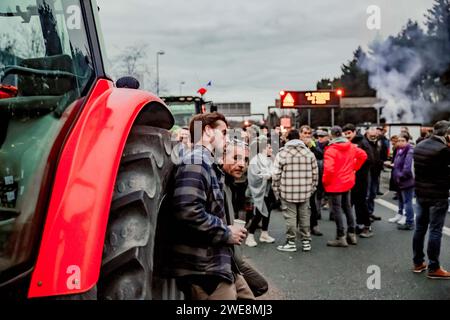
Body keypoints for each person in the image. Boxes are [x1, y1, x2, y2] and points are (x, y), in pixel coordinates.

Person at [170, 112, 253, 300]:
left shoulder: (206, 161)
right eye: (223, 132)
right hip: (203, 265)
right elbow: (187, 210)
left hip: (215, 261)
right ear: (207, 131)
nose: (227, 138)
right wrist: (226, 232)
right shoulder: (196, 161)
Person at [222, 138, 268, 297]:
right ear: (222, 157)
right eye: (236, 158)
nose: (242, 164)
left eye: (245, 160)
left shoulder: (228, 184)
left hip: (231, 257)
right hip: (217, 262)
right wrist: (226, 232)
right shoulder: (216, 182)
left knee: (260, 286)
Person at [412, 120, 450, 279]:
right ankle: (434, 267)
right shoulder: (443, 150)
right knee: (435, 231)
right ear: (447, 133)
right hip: (438, 196)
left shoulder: (419, 145)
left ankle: (418, 262)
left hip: (421, 194)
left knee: (420, 229)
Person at [272, 129, 318, 252]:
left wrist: (277, 191)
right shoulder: (309, 154)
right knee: (305, 216)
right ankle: (306, 242)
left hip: (287, 191)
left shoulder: (282, 154)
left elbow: (276, 175)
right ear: (299, 138)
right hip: (305, 192)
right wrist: (311, 189)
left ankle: (291, 242)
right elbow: (315, 175)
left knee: (290, 218)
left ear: (287, 139)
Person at [323, 126, 367, 247]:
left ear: (331, 135)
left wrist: (325, 182)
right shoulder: (351, 146)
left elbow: (329, 169)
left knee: (337, 210)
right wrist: (354, 168)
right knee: (347, 207)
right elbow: (363, 155)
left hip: (334, 183)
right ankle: (351, 234)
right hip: (347, 181)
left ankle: (340, 236)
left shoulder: (331, 150)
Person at [343, 123, 374, 238]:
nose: (347, 136)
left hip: (361, 177)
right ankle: (359, 224)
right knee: (353, 202)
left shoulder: (362, 142)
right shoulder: (349, 142)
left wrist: (357, 167)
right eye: (345, 134)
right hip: (352, 177)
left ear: (354, 132)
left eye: (349, 133)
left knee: (361, 202)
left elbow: (370, 159)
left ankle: (367, 226)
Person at [246, 136, 276, 247]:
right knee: (259, 213)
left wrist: (272, 175)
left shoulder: (268, 159)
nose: (271, 150)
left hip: (268, 191)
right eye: (269, 147)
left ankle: (264, 233)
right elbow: (254, 177)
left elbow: (274, 171)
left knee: (267, 212)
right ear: (263, 148)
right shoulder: (255, 161)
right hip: (260, 191)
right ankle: (250, 236)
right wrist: (268, 176)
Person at [300, 125, 323, 236]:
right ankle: (301, 227)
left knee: (312, 204)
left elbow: (320, 154)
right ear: (300, 134)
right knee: (299, 204)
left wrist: (311, 147)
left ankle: (314, 226)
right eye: (305, 133)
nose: (307, 136)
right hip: (298, 177)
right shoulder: (295, 144)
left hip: (310, 177)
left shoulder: (313, 143)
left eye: (309, 133)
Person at [391, 133, 415, 230]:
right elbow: (398, 164)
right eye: (399, 140)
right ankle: (401, 215)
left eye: (403, 141)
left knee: (407, 201)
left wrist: (400, 176)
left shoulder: (409, 151)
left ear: (407, 141)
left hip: (406, 180)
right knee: (402, 200)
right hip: (399, 180)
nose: (400, 142)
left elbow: (407, 168)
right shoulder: (399, 150)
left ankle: (409, 221)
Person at [364, 127, 383, 221]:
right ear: (367, 134)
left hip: (376, 171)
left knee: (373, 193)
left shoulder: (377, 143)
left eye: (375, 135)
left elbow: (377, 156)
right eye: (371, 135)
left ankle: (370, 212)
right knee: (367, 194)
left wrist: (382, 163)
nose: (373, 136)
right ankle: (366, 214)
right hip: (367, 172)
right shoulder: (364, 143)